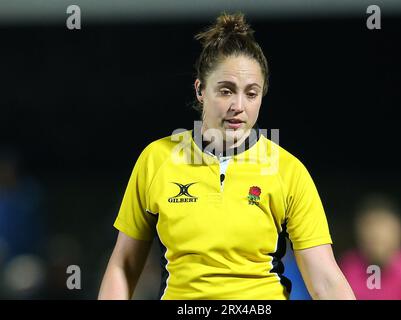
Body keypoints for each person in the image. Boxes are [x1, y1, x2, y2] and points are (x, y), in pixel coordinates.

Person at [98, 12, 355, 300]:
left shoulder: (288, 170)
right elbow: (123, 265)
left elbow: (326, 281)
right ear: (200, 90)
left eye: (251, 93)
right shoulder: (156, 159)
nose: (238, 105)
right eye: (226, 90)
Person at [339, 195, 401, 300]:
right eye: (369, 227)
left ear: (400, 232)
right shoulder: (347, 268)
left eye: (383, 227)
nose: (376, 234)